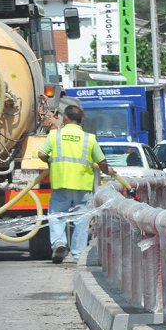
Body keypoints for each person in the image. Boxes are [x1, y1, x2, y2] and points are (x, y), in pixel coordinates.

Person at [38, 105, 115, 264]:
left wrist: (50, 161)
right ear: (81, 121)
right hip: (83, 186)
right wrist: (108, 171)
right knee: (82, 220)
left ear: (65, 118)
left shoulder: (54, 135)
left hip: (61, 183)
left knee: (56, 216)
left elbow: (41, 154)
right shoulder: (89, 138)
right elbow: (101, 161)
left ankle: (59, 243)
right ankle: (78, 253)